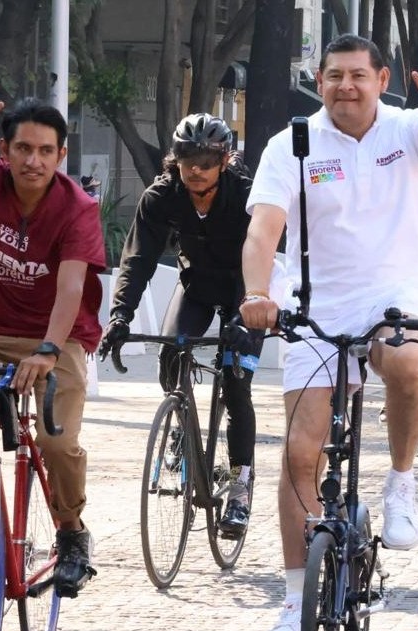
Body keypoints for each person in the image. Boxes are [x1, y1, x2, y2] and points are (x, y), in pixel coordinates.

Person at [236, 35, 418, 631]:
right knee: (300, 452)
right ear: (319, 79)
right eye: (334, 75)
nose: (346, 85)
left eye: (358, 75)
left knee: (406, 359)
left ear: (381, 77)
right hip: (316, 302)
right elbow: (264, 228)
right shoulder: (293, 144)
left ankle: (400, 482)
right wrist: (258, 291)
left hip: (397, 290)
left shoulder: (403, 129)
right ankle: (294, 599)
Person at [0, 86, 105, 598]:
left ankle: (72, 534)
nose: (34, 160)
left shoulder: (78, 208)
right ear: (4, 152)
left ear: (61, 155)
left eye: (46, 151)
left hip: (59, 336)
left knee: (55, 441)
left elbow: (71, 287)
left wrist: (49, 350)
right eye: (24, 149)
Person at [98, 113, 262, 537]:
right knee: (171, 349)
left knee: (236, 380)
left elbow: (258, 256)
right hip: (197, 287)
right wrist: (120, 317)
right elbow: (137, 261)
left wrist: (246, 314)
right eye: (188, 158)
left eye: (206, 160)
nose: (195, 168)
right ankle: (181, 427)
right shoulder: (162, 196)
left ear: (223, 160)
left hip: (244, 290)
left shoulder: (244, 195)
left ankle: (241, 487)